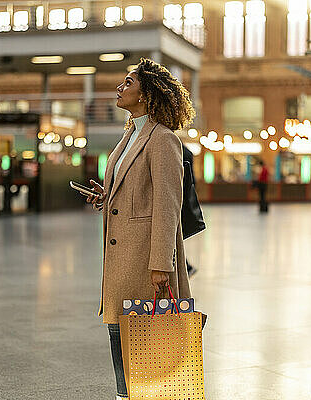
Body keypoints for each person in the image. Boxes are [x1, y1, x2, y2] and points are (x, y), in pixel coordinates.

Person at [85, 58, 195, 400]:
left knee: (143, 336)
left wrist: (162, 262)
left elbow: (167, 204)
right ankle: (125, 395)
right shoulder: (129, 135)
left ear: (146, 94)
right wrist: (107, 198)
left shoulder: (162, 140)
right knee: (120, 330)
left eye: (128, 83)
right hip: (122, 256)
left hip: (145, 259)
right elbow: (134, 194)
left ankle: (144, 394)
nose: (120, 88)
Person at [182, 143, 198, 277]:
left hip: (177, 198)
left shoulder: (170, 145)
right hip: (185, 195)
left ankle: (186, 266)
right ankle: (186, 266)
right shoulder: (187, 151)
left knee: (173, 236)